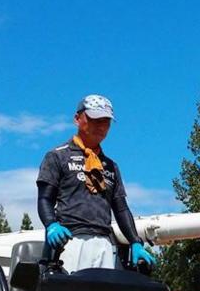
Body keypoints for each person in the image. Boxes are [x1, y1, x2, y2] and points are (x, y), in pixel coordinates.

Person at [36, 94, 155, 273]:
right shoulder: (58, 156)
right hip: (71, 241)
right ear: (77, 119)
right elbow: (45, 199)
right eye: (95, 120)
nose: (101, 126)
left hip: (105, 245)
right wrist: (51, 225)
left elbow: (121, 208)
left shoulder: (110, 166)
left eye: (106, 121)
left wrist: (135, 242)